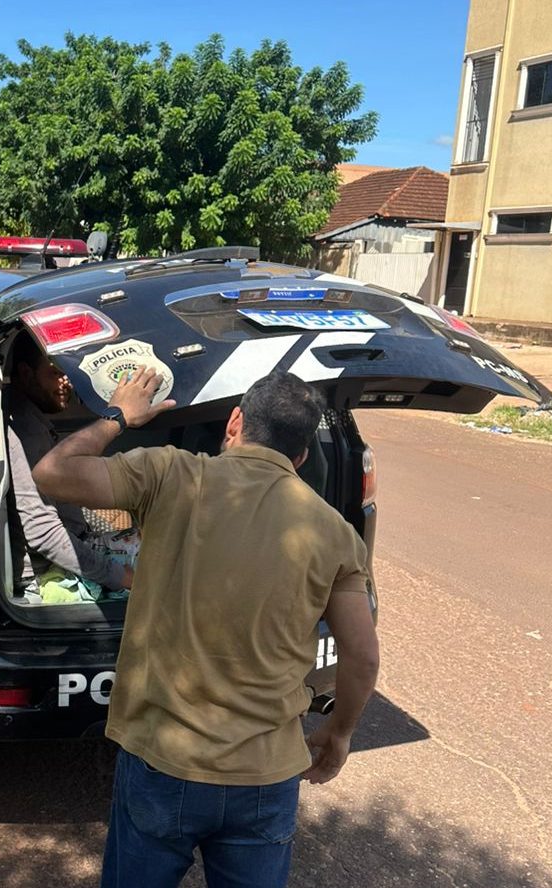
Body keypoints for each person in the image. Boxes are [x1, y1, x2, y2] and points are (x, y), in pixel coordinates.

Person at [34, 369, 381, 888]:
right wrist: (340, 732)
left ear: (235, 422)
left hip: (163, 761)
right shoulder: (335, 532)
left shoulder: (170, 473)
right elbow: (363, 656)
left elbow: (52, 473)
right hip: (265, 776)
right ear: (302, 455)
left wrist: (118, 416)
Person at [7, 333, 132, 604]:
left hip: (76, 543)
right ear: (26, 374)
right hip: (46, 573)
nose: (67, 382)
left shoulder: (29, 417)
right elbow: (43, 531)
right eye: (56, 373)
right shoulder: (25, 429)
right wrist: (120, 577)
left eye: (69, 373)